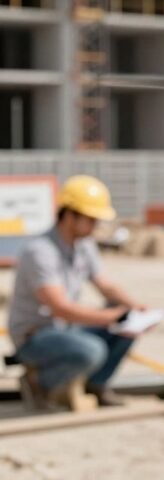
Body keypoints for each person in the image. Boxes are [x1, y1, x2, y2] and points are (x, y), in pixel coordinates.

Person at [8, 175, 148, 408]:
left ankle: (94, 384)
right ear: (70, 215)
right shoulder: (40, 251)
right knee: (92, 350)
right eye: (91, 219)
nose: (96, 225)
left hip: (66, 329)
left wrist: (134, 309)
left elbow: (105, 285)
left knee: (127, 328)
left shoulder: (84, 245)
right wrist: (114, 317)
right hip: (36, 337)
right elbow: (60, 309)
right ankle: (39, 382)